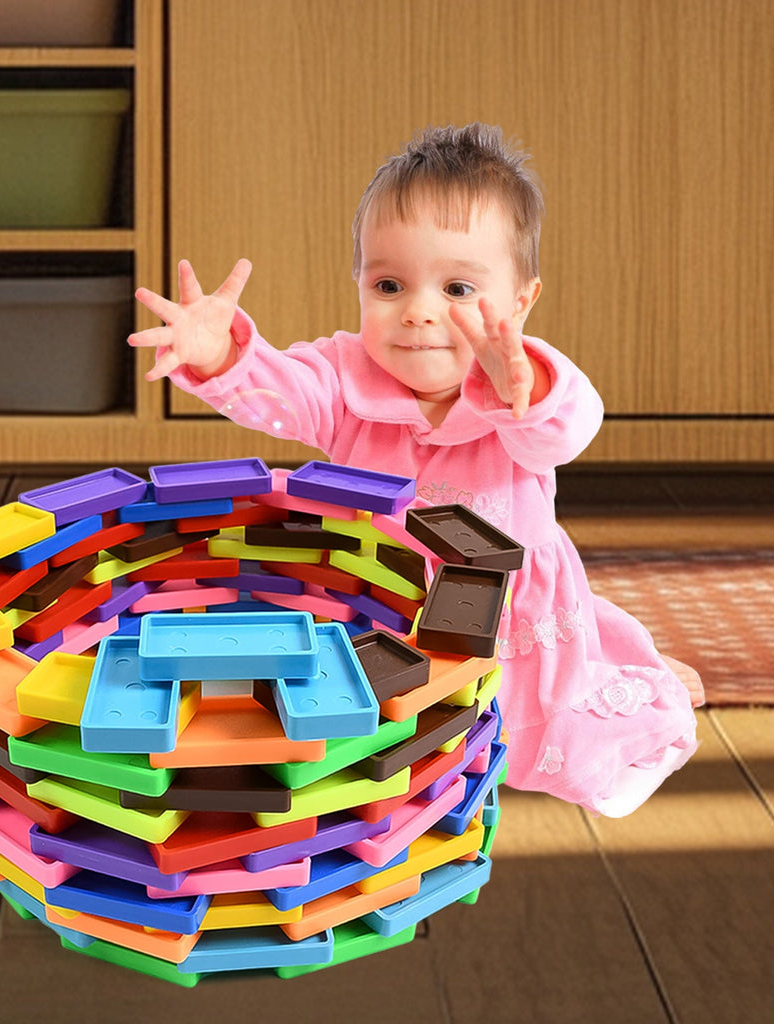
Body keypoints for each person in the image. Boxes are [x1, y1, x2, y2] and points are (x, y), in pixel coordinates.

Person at [128, 122, 703, 817]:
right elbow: (284, 393)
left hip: (502, 608)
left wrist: (521, 390)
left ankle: (641, 685)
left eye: (457, 288)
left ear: (520, 301)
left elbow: (567, 430)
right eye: (389, 285)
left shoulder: (523, 387)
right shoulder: (345, 377)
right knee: (360, 740)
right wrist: (222, 356)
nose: (418, 313)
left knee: (538, 743)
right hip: (380, 598)